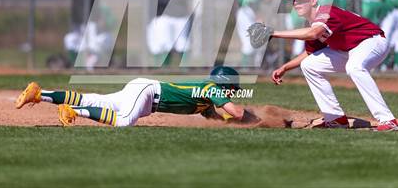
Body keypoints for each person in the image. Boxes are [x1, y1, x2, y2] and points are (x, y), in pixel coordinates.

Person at [269, 0, 398, 131]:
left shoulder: (325, 11)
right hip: (350, 50)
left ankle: (388, 120)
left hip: (372, 41)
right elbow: (309, 53)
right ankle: (336, 119)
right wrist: (285, 67)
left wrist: (274, 33)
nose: (297, 3)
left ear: (313, 1)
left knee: (354, 67)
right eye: (294, 0)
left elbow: (314, 34)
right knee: (309, 65)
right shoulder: (313, 23)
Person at [15, 66, 260, 127]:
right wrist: (258, 120)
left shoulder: (206, 100)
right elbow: (237, 112)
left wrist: (230, 124)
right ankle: (73, 112)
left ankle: (40, 94)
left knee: (93, 99)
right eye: (233, 88)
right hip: (148, 92)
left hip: (145, 93)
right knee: (123, 121)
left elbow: (217, 119)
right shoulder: (212, 89)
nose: (232, 93)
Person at [146, 0, 192, 66]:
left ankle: (183, 67)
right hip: (162, 16)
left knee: (182, 43)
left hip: (179, 16)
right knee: (162, 43)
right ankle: (162, 67)